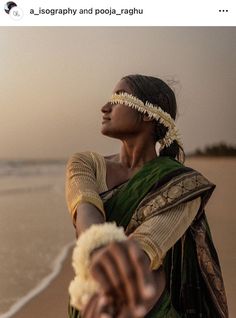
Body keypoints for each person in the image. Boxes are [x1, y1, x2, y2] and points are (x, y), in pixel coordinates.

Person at [66, 74, 228, 318]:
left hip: (149, 307)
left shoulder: (183, 186)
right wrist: (102, 261)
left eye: (119, 98)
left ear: (148, 114)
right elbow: (86, 215)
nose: (105, 107)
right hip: (94, 298)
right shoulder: (85, 163)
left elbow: (145, 248)